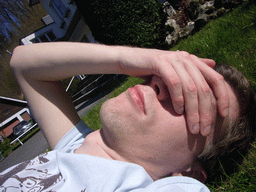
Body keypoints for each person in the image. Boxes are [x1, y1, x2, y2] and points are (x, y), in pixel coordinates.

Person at [0, 42, 255, 191]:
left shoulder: (168, 187)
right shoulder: (71, 149)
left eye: (193, 101)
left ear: (190, 173)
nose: (161, 84)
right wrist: (129, 58)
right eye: (172, 77)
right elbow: (23, 64)